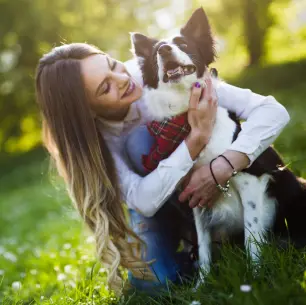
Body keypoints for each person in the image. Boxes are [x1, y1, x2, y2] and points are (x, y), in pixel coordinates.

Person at [35, 43, 290, 294]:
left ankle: (220, 234)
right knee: (155, 281)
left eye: (113, 65)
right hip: (157, 207)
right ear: (87, 113)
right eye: (106, 87)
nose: (122, 79)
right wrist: (196, 138)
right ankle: (197, 242)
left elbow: (273, 111)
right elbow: (143, 201)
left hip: (214, 177)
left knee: (139, 142)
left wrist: (224, 165)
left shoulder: (160, 68)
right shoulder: (95, 141)